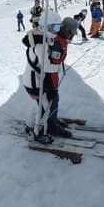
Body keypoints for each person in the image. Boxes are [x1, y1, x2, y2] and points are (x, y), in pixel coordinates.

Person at [22, 11, 78, 143]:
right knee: (44, 107)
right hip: (34, 82)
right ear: (45, 27)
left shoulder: (43, 38)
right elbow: (47, 67)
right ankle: (37, 133)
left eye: (58, 28)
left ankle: (31, 125)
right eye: (54, 28)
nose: (56, 31)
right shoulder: (41, 44)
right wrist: (56, 68)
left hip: (35, 78)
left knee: (41, 105)